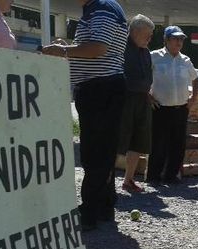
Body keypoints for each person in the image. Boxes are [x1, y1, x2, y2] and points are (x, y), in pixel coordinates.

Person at [42, 0, 128, 231]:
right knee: (102, 151)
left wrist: (63, 50)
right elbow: (95, 46)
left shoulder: (101, 9)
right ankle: (104, 206)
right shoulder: (99, 8)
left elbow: (99, 47)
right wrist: (70, 46)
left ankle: (89, 211)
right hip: (101, 87)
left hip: (100, 88)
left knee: (94, 152)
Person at [147, 25, 198, 184]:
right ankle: (153, 176)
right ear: (167, 40)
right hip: (160, 108)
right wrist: (147, 96)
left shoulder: (186, 60)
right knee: (158, 144)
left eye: (181, 39)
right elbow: (142, 76)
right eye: (176, 39)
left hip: (181, 108)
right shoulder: (153, 57)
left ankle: (171, 176)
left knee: (178, 145)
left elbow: (196, 78)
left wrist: (193, 98)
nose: (179, 42)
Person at [118, 14, 154, 193]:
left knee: (139, 142)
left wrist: (148, 91)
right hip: (125, 100)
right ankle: (107, 180)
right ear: (134, 31)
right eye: (147, 34)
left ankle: (128, 179)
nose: (150, 38)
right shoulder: (121, 48)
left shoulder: (145, 51)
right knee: (119, 141)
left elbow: (148, 75)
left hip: (142, 100)